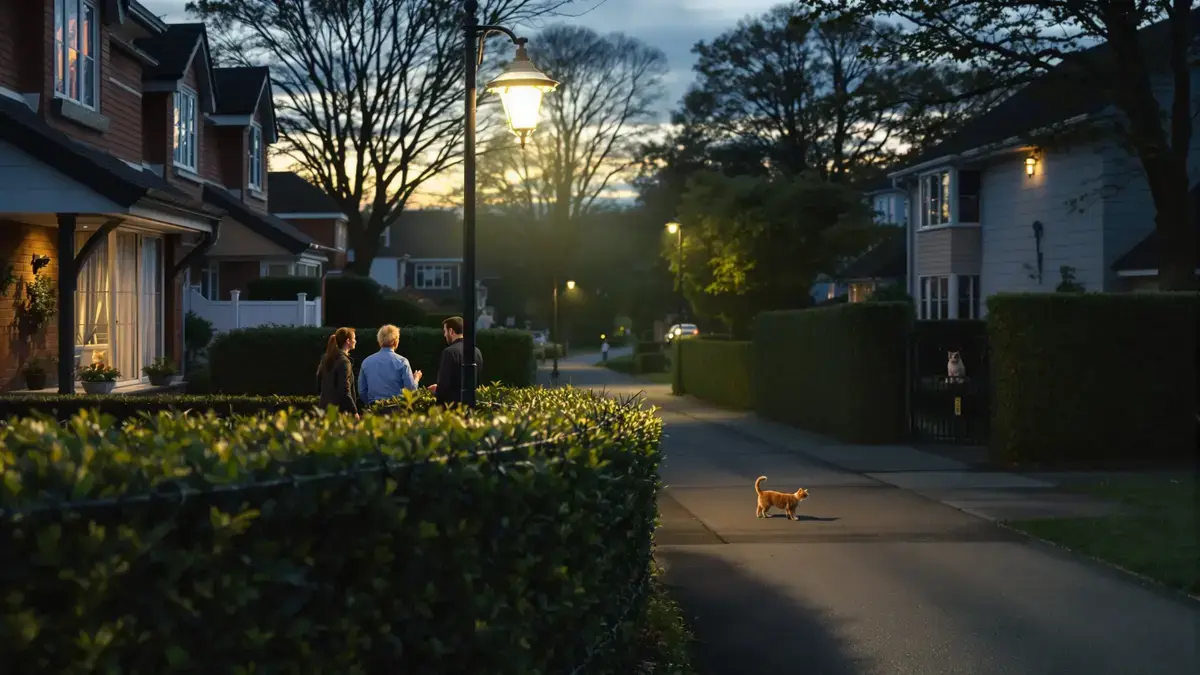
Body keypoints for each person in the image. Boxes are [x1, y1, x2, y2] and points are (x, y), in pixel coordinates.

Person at [358, 324, 422, 405]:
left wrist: (371, 404)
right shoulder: (402, 361)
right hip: (396, 407)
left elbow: (362, 391)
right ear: (395, 341)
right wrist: (416, 379)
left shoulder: (366, 362)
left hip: (374, 407)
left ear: (379, 340)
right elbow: (411, 390)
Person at [429, 316, 483, 406]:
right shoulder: (477, 351)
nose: (444, 335)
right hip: (471, 407)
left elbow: (444, 385)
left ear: (451, 331)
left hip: (452, 409)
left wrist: (437, 391)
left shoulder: (449, 352)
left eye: (445, 331)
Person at [317, 327, 359, 417]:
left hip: (324, 408)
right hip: (339, 411)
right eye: (354, 339)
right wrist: (354, 411)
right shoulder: (344, 362)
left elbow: (319, 382)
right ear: (348, 341)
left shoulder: (326, 358)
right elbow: (345, 390)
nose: (355, 341)